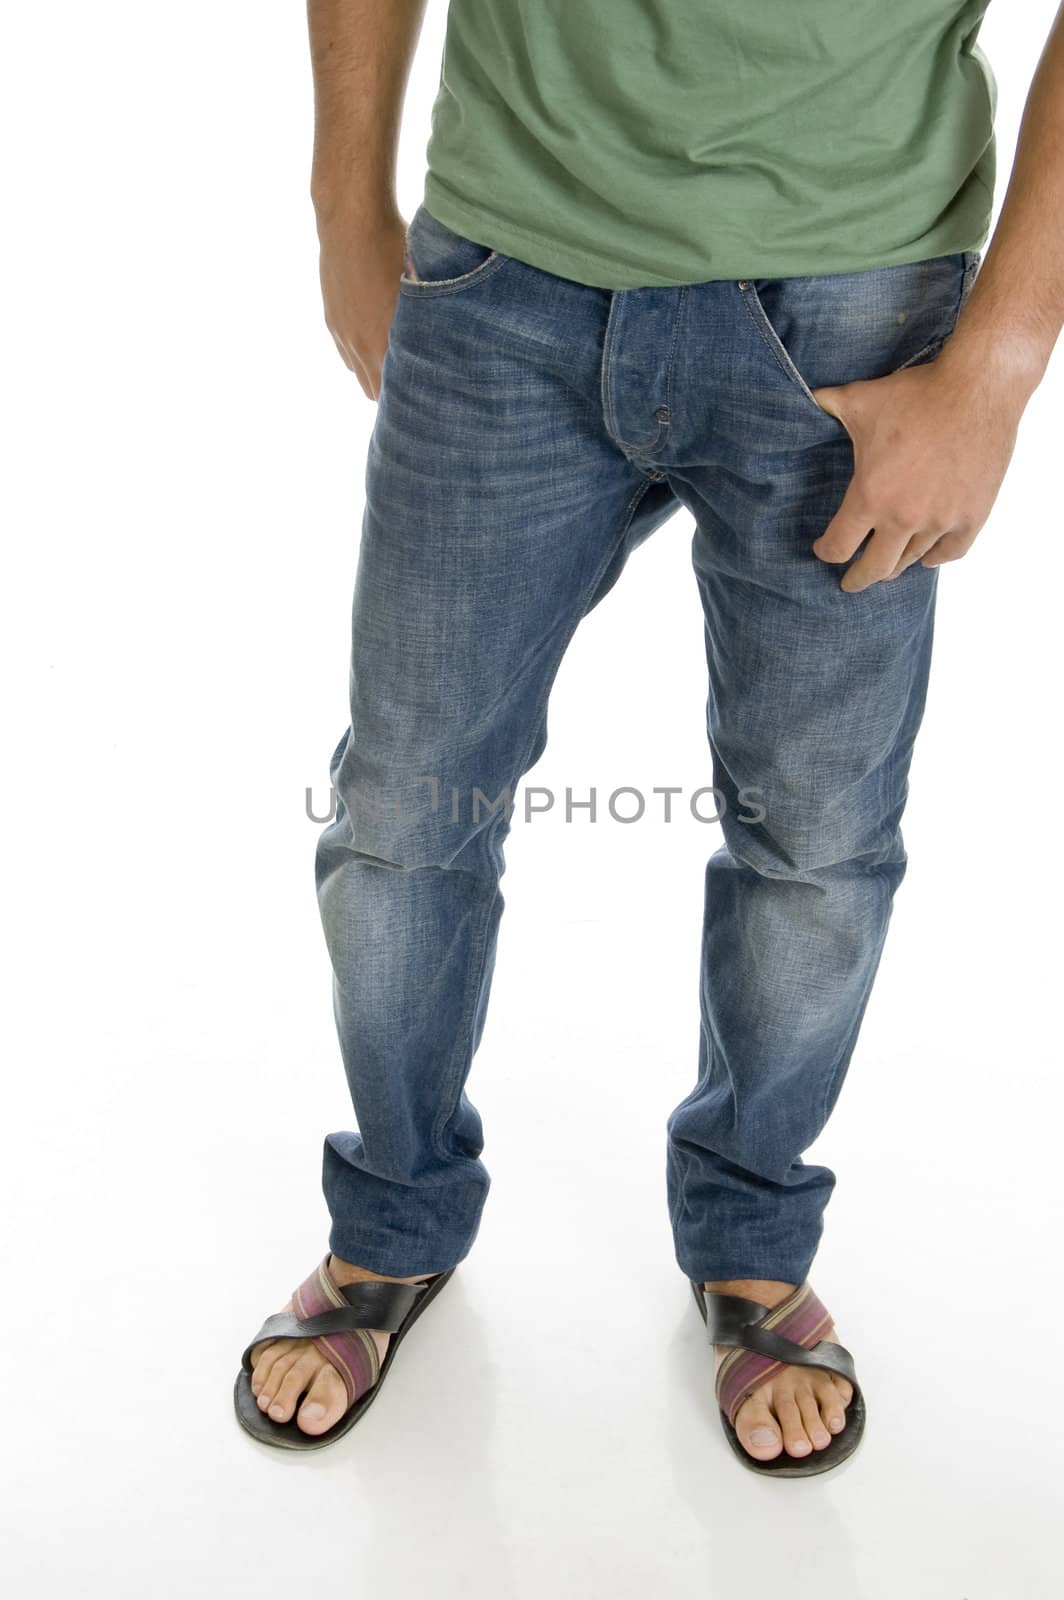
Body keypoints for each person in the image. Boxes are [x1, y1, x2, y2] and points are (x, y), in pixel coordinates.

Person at [234, 0, 1063, 1474]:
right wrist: (340, 203)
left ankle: (751, 1237)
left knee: (816, 843)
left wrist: (997, 369)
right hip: (506, 270)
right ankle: (397, 1220)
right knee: (403, 808)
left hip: (856, 298)